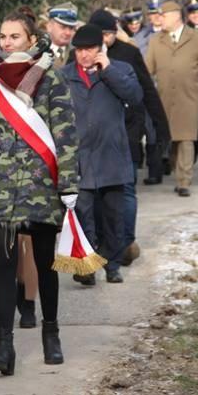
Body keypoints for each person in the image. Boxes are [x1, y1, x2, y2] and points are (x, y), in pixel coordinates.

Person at [0, 11, 79, 373]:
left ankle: (51, 333)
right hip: (0, 191)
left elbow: (65, 137)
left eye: (14, 37)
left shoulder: (51, 81)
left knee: (45, 266)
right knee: (6, 266)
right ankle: (4, 347)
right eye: (2, 36)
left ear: (31, 41)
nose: (6, 43)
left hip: (41, 188)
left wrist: (69, 186)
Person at [62, 24, 142, 282]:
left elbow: (134, 95)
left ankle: (113, 264)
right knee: (84, 214)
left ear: (101, 48)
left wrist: (108, 69)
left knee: (113, 217)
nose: (85, 55)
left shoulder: (120, 70)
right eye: (80, 50)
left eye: (90, 49)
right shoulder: (65, 76)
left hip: (112, 155)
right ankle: (87, 266)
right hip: (80, 158)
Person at [87, 8, 167, 264]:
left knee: (127, 189)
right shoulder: (81, 55)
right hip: (95, 138)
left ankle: (126, 242)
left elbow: (145, 89)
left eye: (109, 34)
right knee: (98, 194)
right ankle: (101, 241)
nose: (104, 39)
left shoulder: (129, 53)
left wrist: (160, 124)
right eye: (100, 34)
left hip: (128, 130)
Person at [145, 1, 198, 197]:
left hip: (189, 96)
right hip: (165, 97)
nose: (160, 19)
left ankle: (184, 181)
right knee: (172, 140)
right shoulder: (156, 40)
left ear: (175, 16)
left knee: (187, 139)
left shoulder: (197, 38)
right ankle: (178, 171)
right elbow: (147, 70)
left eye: (163, 15)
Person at [46, 2, 79, 67]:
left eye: (71, 28)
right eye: (63, 27)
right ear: (49, 26)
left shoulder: (78, 54)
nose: (68, 33)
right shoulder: (37, 52)